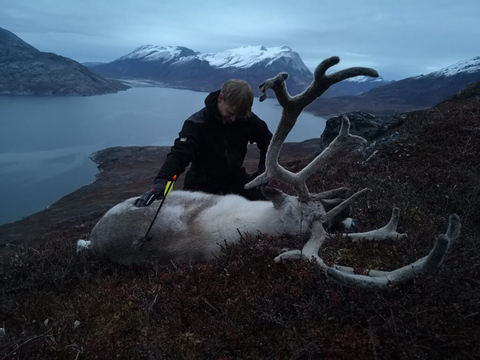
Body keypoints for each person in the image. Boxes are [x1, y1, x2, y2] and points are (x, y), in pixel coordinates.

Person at [134, 79, 273, 207]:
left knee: (262, 205)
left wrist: (263, 173)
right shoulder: (196, 124)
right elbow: (179, 156)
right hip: (201, 184)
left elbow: (268, 143)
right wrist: (162, 183)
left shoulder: (247, 119)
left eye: (239, 115)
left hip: (234, 179)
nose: (234, 119)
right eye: (230, 113)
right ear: (220, 99)